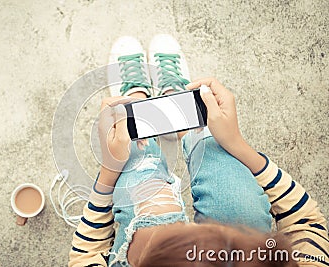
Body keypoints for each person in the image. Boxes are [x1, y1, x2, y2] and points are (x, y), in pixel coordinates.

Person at [68, 35, 328, 266]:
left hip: (147, 253)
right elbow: (306, 224)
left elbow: (84, 257)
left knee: (145, 178)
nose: (187, 224)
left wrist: (110, 168)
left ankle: (137, 102)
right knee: (220, 159)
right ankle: (181, 111)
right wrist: (236, 144)